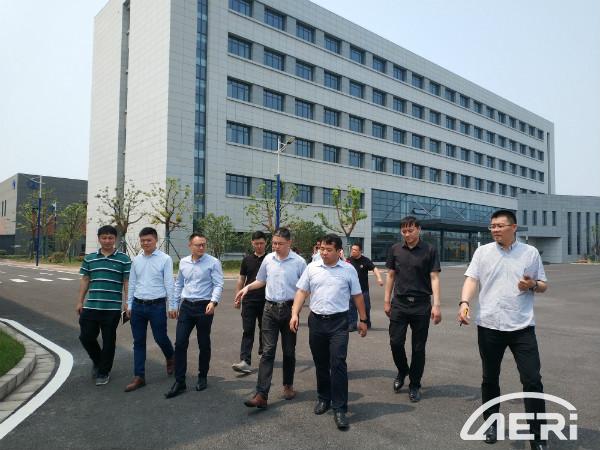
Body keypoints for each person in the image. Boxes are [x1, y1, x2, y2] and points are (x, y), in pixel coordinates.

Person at [458, 209, 548, 450]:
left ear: (513, 227)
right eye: (492, 226)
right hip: (490, 325)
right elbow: (472, 279)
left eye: (499, 226)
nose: (495, 230)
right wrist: (464, 302)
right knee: (490, 378)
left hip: (522, 326)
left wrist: (532, 284)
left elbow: (543, 285)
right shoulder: (482, 252)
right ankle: (491, 424)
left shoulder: (530, 253)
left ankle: (538, 435)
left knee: (532, 380)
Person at [290, 233, 368, 430]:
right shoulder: (312, 268)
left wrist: (363, 320)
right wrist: (294, 314)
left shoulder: (348, 270)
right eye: (321, 249)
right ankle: (324, 397)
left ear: (339, 251)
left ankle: (340, 408)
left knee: (338, 363)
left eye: (328, 250)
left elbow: (358, 296)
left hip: (338, 323)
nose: (323, 253)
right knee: (321, 363)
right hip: (316, 321)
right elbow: (301, 291)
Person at [235, 227, 306, 409]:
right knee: (267, 352)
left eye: (280, 244)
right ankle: (261, 394)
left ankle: (288, 385)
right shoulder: (268, 259)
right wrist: (247, 288)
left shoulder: (299, 262)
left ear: (289, 243)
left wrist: (296, 312)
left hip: (290, 310)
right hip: (269, 309)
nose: (276, 247)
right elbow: (261, 280)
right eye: (274, 243)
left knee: (288, 351)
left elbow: (304, 288)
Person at [384, 216, 441, 403]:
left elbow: (434, 278)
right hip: (399, 304)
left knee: (418, 348)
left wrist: (436, 305)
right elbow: (391, 275)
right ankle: (402, 370)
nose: (407, 234)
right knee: (395, 342)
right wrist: (386, 300)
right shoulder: (395, 249)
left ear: (419, 229)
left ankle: (415, 384)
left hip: (421, 305)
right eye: (404, 231)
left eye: (410, 230)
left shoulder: (430, 250)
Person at [165, 233, 224, 398]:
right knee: (180, 343)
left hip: (204, 307)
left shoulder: (213, 262)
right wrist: (174, 304)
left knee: (203, 343)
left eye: (204, 244)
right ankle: (180, 381)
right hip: (186, 307)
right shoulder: (184, 262)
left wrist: (213, 302)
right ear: (190, 245)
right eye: (198, 245)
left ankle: (202, 376)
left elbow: (218, 284)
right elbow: (179, 284)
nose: (202, 247)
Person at [77, 225, 131, 386]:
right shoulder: (90, 258)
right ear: (99, 239)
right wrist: (80, 301)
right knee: (86, 337)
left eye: (110, 238)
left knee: (108, 341)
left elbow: (127, 282)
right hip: (91, 306)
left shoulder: (124, 259)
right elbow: (85, 279)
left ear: (115, 239)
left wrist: (128, 303)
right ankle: (98, 360)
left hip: (112, 309)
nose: (107, 241)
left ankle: (103, 371)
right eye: (104, 237)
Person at [124, 227, 175, 392]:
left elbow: (169, 283)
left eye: (149, 240)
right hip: (138, 306)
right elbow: (132, 283)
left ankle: (171, 356)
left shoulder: (165, 259)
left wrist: (172, 305)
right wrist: (129, 304)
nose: (145, 243)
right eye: (143, 240)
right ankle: (139, 376)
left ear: (156, 240)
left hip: (157, 306)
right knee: (138, 342)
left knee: (160, 337)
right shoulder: (136, 260)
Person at [232, 231, 267, 374]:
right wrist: (238, 296)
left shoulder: (270, 259)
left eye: (261, 243)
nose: (259, 246)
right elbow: (241, 279)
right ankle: (245, 361)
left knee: (265, 330)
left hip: (266, 301)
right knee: (248, 331)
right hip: (249, 301)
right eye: (256, 243)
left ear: (266, 243)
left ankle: (264, 353)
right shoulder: (246, 260)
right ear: (252, 243)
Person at [346, 243, 384, 331]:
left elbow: (374, 268)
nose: (353, 251)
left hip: (363, 290)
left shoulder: (365, 260)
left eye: (355, 250)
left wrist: (379, 278)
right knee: (351, 307)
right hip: (351, 290)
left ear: (360, 251)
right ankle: (352, 324)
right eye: (352, 250)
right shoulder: (349, 260)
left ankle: (366, 322)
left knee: (366, 307)